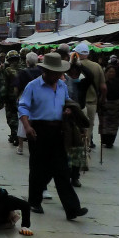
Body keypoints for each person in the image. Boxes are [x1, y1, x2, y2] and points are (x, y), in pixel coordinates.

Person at [18, 53, 87, 220]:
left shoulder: (62, 86)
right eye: (54, 73)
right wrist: (27, 127)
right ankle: (34, 201)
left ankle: (72, 208)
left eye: (59, 73)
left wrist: (68, 110)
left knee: (62, 169)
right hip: (38, 130)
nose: (57, 76)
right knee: (38, 168)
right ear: (46, 71)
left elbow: (67, 101)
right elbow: (23, 107)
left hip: (58, 130)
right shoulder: (33, 86)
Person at [74, 42, 107, 149]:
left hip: (77, 103)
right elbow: (103, 88)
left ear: (77, 54)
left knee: (77, 127)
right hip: (92, 102)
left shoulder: (74, 66)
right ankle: (86, 146)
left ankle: (79, 147)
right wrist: (102, 99)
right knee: (89, 127)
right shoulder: (97, 66)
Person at [0, 50, 23, 145]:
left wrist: (2, 99)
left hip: (11, 97)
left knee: (11, 117)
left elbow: (4, 85)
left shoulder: (7, 70)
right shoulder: (24, 69)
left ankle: (15, 134)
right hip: (23, 97)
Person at [99, 65, 119, 148]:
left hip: (116, 104)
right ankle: (104, 140)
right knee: (104, 123)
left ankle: (110, 141)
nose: (111, 73)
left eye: (113, 72)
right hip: (105, 103)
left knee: (114, 123)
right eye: (109, 71)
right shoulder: (102, 82)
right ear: (106, 73)